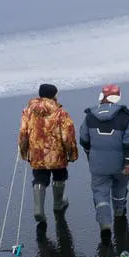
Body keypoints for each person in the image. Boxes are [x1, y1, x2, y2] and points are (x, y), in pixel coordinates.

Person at [79, 83, 129, 238]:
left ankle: (105, 224)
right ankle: (119, 213)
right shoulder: (125, 117)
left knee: (100, 192)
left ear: (101, 96)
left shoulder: (90, 116)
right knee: (120, 188)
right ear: (117, 97)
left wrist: (89, 154)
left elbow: (84, 139)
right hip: (120, 163)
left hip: (98, 164)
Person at [18, 83, 78, 223]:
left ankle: (39, 210)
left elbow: (23, 133)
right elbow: (67, 136)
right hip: (57, 154)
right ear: (54, 95)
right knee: (59, 176)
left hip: (37, 153)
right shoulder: (61, 113)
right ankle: (58, 204)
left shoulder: (28, 111)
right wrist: (72, 153)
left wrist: (24, 152)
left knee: (39, 178)